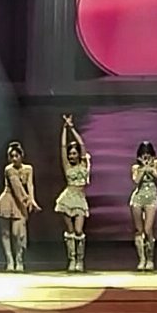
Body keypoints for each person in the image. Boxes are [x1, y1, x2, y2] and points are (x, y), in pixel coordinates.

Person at [0, 141, 39, 272]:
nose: (14, 158)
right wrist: (27, 201)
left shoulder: (28, 168)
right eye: (11, 156)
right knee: (5, 233)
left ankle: (19, 259)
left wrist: (32, 199)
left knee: (18, 234)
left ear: (21, 155)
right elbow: (16, 187)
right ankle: (9, 260)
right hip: (7, 200)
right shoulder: (9, 169)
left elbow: (30, 185)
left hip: (20, 203)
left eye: (16, 156)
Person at [54, 116, 91, 272]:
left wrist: (71, 128)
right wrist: (64, 129)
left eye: (74, 153)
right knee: (70, 231)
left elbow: (82, 144)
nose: (72, 156)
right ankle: (72, 259)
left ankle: (80, 261)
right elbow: (62, 147)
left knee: (79, 231)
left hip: (80, 199)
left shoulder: (83, 163)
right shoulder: (67, 166)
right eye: (70, 154)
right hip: (68, 198)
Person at [130, 141, 157, 271]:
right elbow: (136, 181)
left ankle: (150, 259)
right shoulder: (136, 167)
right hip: (138, 197)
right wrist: (143, 168)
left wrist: (151, 169)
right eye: (143, 154)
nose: (146, 156)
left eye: (148, 153)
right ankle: (142, 259)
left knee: (148, 229)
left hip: (151, 197)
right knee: (139, 230)